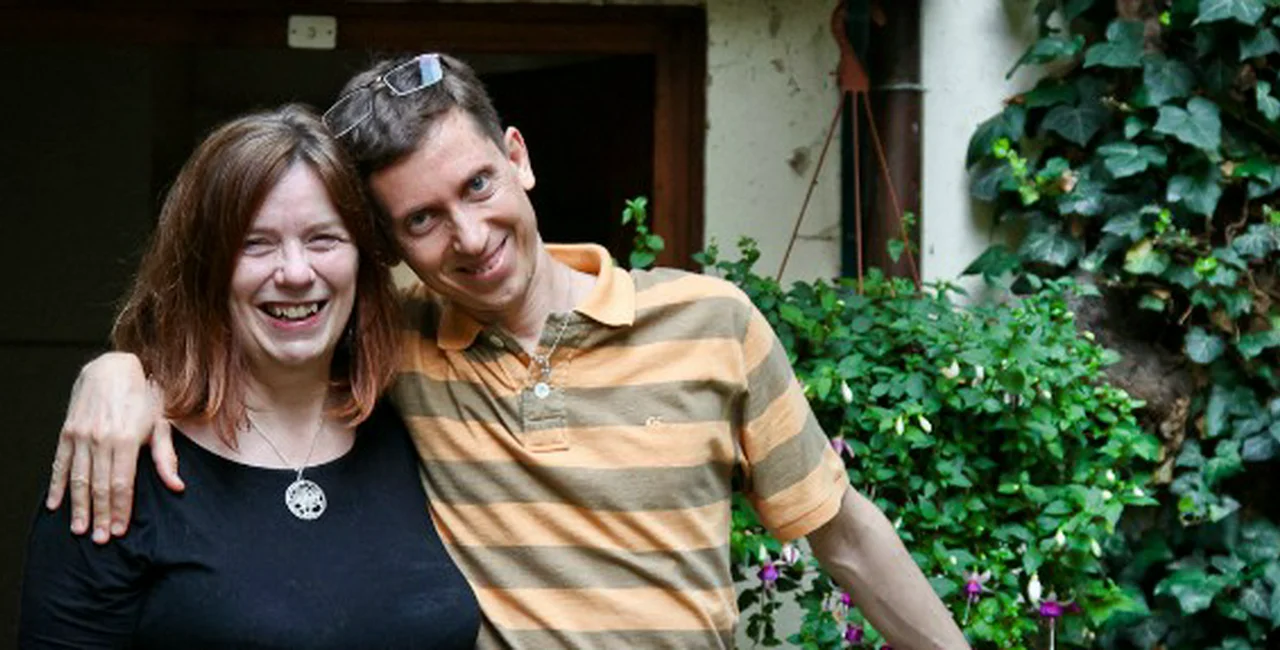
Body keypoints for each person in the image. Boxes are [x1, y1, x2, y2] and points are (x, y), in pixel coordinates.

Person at [46, 54, 969, 648]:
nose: (470, 236)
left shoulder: (713, 324)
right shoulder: (393, 346)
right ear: (391, 247)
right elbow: (261, 317)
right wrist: (119, 372)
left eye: (478, 185)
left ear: (517, 156)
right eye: (421, 220)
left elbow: (845, 536)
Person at [21, 105, 479, 648]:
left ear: (363, 260)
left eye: (323, 238)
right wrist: (113, 367)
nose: (295, 273)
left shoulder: (413, 418)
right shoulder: (121, 461)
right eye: (254, 243)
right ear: (205, 267)